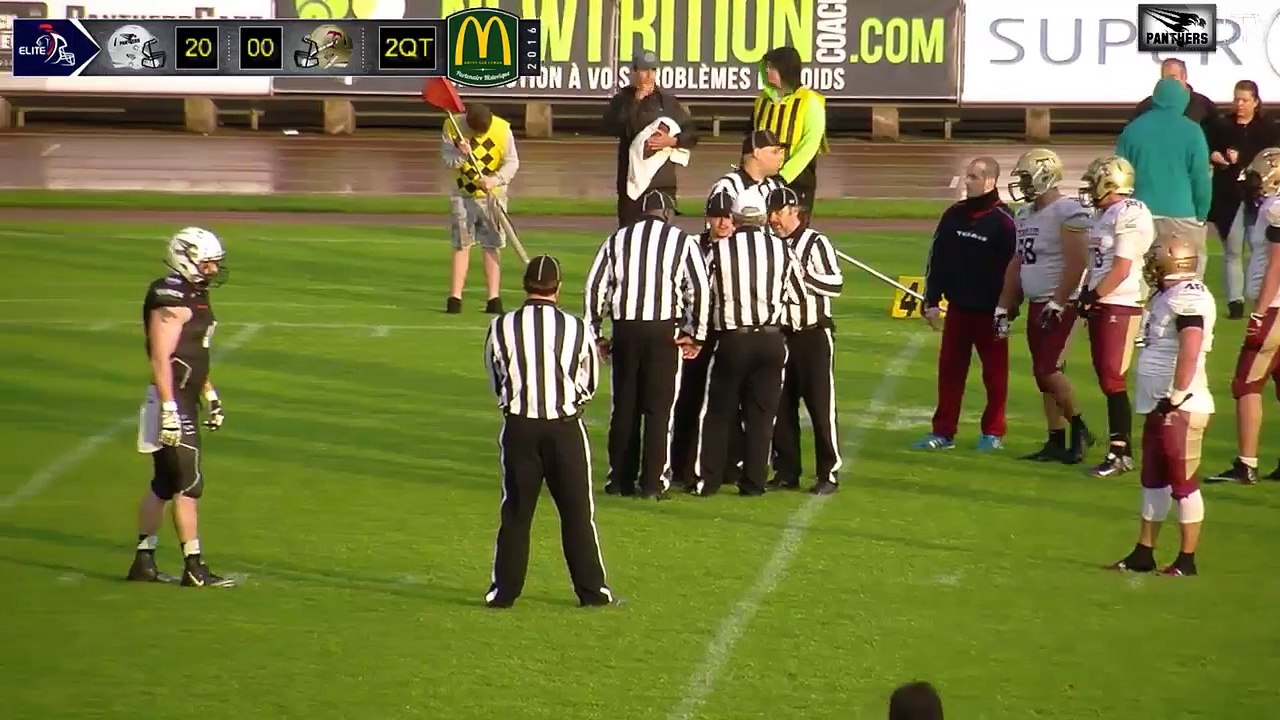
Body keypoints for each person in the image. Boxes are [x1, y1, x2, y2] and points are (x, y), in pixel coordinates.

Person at [483, 255, 616, 608]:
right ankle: (592, 591)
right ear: (558, 288)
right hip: (564, 428)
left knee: (516, 514)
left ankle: (503, 593)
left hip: (520, 428)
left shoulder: (501, 326)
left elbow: (495, 379)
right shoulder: (577, 328)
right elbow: (590, 382)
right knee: (576, 514)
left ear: (525, 285)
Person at [584, 190, 710, 499]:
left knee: (624, 407)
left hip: (626, 329)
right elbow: (699, 289)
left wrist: (595, 333)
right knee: (659, 410)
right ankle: (654, 482)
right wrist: (697, 333)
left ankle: (620, 479)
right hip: (662, 332)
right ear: (666, 214)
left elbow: (596, 286)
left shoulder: (617, 239)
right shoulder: (681, 241)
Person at [128, 227, 234, 588]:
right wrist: (171, 408)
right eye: (207, 264)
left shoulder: (194, 294)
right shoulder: (170, 298)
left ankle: (143, 562)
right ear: (185, 257)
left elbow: (192, 355)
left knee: (162, 484)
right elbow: (161, 358)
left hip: (184, 398)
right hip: (172, 403)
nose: (213, 271)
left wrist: (209, 393)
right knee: (188, 486)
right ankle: (193, 567)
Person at [1109, 235, 1214, 577]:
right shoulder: (1167, 295)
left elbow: (1192, 343)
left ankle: (1187, 559)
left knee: (1183, 485)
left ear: (1173, 261)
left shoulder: (1188, 295)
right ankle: (1144, 552)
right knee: (1153, 480)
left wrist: (1178, 394)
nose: (1151, 266)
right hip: (1161, 403)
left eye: (1156, 259)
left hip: (1181, 405)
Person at [690, 188, 805, 497]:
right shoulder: (783, 250)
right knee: (762, 415)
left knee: (718, 413)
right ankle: (754, 482)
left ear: (737, 218)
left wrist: (699, 333)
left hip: (733, 338)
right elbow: (798, 295)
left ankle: (709, 481)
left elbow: (704, 294)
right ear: (764, 217)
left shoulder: (721, 250)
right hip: (771, 339)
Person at [996, 149, 1095, 463]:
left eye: (1026, 176)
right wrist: (1004, 305)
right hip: (1038, 302)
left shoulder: (1068, 210)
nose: (1023, 184)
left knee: (1048, 370)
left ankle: (1080, 428)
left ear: (1045, 174)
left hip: (1060, 302)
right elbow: (1018, 262)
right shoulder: (1025, 214)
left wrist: (1058, 301)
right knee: (1042, 375)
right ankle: (1056, 439)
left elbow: (1078, 261)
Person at [914, 157, 1017, 451]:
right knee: (950, 372)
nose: (966, 181)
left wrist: (1008, 308)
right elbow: (938, 259)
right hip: (958, 309)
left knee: (995, 376)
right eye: (967, 175)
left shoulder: (1005, 221)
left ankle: (993, 433)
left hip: (992, 312)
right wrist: (931, 300)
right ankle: (943, 432)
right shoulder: (953, 215)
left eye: (973, 176)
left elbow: (1016, 268)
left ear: (990, 182)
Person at [1076, 156, 1156, 477]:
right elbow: (1098, 264)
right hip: (1104, 302)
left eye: (1093, 180)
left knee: (1113, 378)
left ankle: (1120, 453)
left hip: (1120, 303)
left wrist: (1093, 295)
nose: (1087, 187)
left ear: (1109, 182)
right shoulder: (1105, 214)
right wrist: (1087, 294)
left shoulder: (1130, 212)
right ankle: (1121, 449)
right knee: (1107, 378)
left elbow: (1122, 267)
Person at [1207, 148, 1280, 484]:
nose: (1252, 182)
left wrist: (1259, 313)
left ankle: (1246, 463)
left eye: (1257, 175)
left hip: (1275, 309)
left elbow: (1278, 265)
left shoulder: (1275, 208)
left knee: (1246, 384)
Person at [766, 186, 843, 495]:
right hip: (779, 334)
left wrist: (802, 273)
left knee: (820, 406)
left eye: (778, 213)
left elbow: (835, 284)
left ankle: (829, 473)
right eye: (769, 213)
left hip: (812, 335)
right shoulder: (767, 245)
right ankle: (786, 471)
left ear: (793, 211)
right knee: (780, 407)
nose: (773, 219)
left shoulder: (816, 243)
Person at [670, 190, 743, 490]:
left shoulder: (744, 248)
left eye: (728, 217)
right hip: (696, 332)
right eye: (717, 216)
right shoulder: (693, 246)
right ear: (707, 218)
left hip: (728, 333)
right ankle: (681, 465)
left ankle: (728, 464)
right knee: (688, 399)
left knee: (726, 404)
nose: (723, 223)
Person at [1116, 76, 1212, 278]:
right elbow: (1200, 177)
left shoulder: (1132, 130)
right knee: (1186, 275)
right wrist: (1202, 214)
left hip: (1140, 212)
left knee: (1141, 275)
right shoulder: (1192, 131)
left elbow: (1120, 175)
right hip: (1182, 213)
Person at [1208, 80, 1279, 320]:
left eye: (1245, 100)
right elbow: (1209, 149)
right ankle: (1235, 303)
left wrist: (1244, 158)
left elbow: (1271, 160)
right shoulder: (1223, 126)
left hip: (1258, 198)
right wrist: (1215, 156)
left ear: (1256, 102)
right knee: (1232, 251)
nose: (1240, 104)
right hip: (1229, 196)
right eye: (1237, 99)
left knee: (1259, 247)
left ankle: (1259, 297)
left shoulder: (1268, 129)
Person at [603, 49, 699, 228]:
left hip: (662, 183)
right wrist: (636, 102)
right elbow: (612, 127)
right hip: (632, 184)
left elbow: (692, 134)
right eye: (644, 70)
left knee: (663, 237)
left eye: (653, 70)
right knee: (629, 237)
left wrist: (673, 141)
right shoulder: (622, 100)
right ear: (633, 72)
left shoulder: (668, 102)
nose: (649, 76)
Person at [442, 102, 520, 315]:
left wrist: (495, 180)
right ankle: (455, 298)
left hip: (492, 197)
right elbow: (449, 161)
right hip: (463, 195)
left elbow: (512, 162)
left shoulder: (503, 129)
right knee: (461, 245)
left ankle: (493, 298)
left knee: (491, 244)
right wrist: (463, 154)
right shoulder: (452, 126)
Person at [752, 46, 827, 220]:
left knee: (792, 232)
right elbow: (753, 138)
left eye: (772, 68)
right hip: (764, 178)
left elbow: (809, 145)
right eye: (767, 67)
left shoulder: (810, 101)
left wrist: (783, 177)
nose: (768, 72)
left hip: (797, 181)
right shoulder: (762, 101)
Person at [1128, 58, 1219, 138]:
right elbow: (1130, 134)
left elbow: (1217, 134)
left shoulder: (1203, 104)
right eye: (1165, 78)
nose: (1169, 82)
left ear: (1184, 76)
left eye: (1172, 77)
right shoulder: (1147, 106)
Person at [707, 130, 787, 204]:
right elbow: (718, 219)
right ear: (757, 153)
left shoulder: (777, 186)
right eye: (775, 152)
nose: (781, 157)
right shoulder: (728, 187)